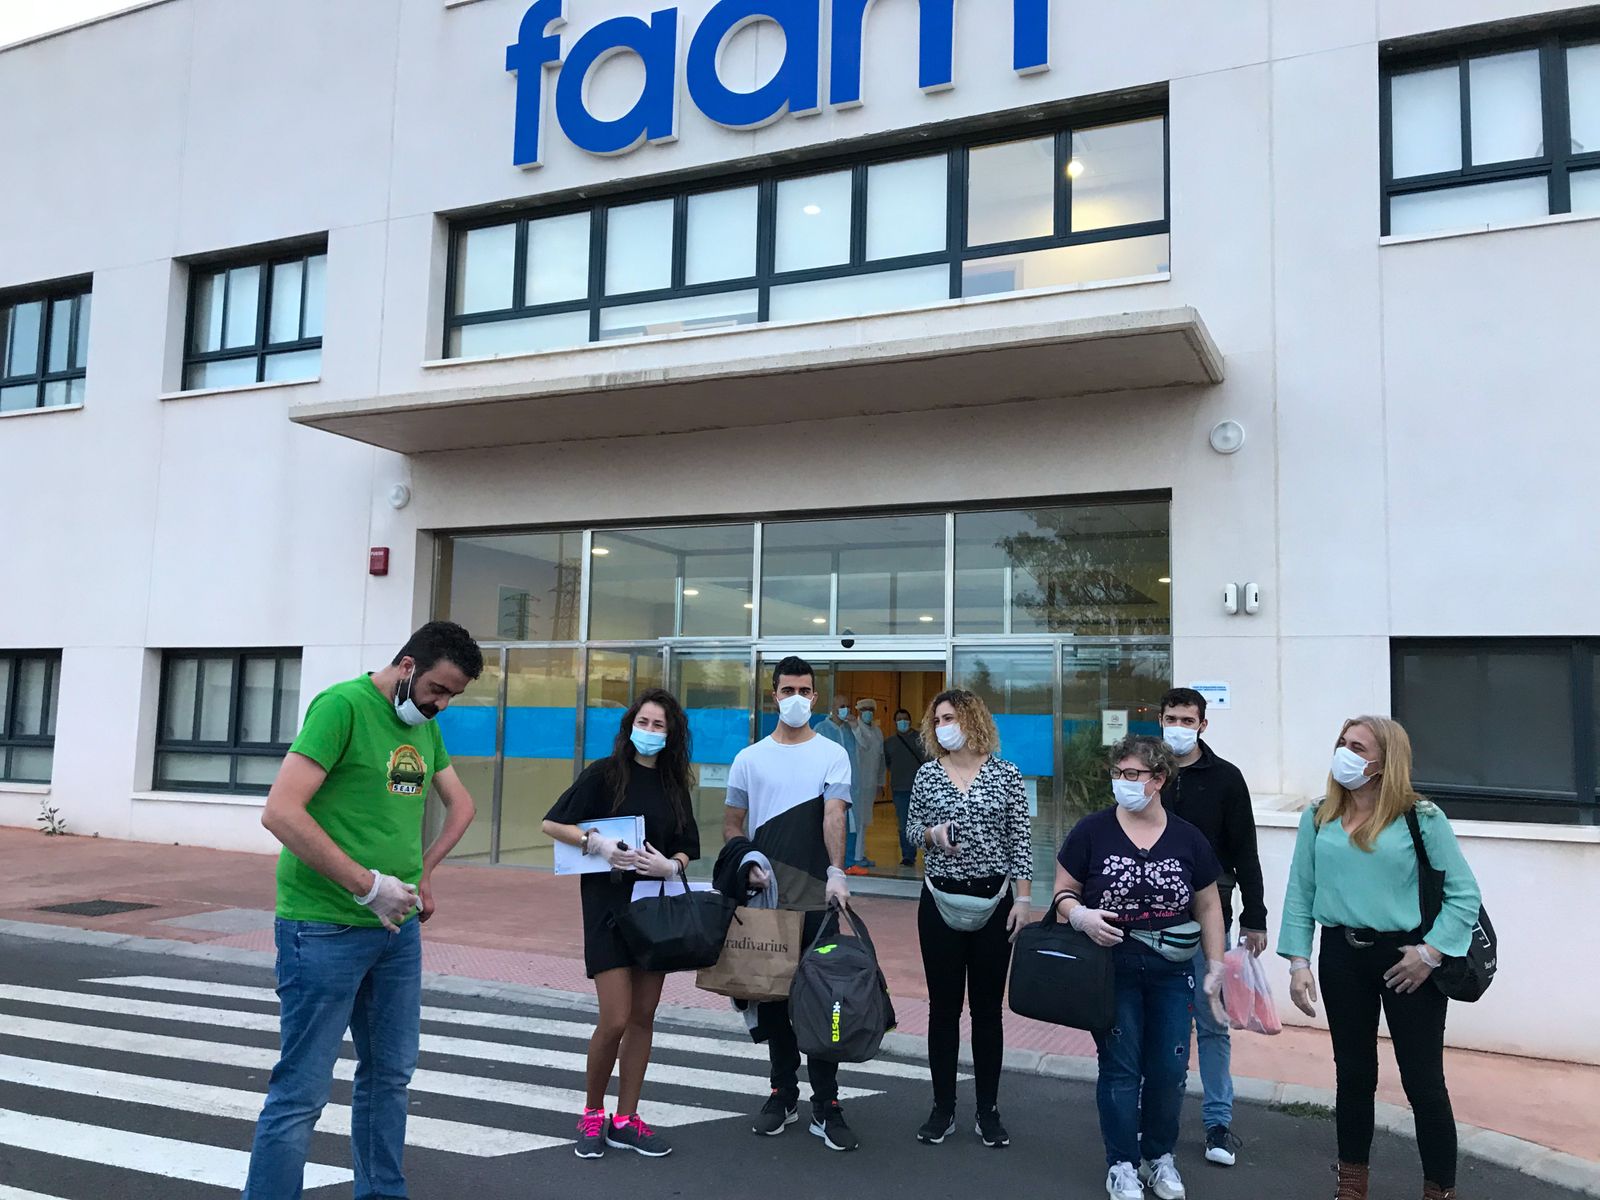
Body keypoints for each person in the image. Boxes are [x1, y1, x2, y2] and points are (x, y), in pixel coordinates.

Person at [243, 621, 484, 1200]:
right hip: (322, 927)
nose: (441, 704)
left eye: (453, 695)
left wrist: (422, 873)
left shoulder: (422, 726)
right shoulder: (342, 707)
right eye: (437, 689)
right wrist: (366, 885)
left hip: (395, 933)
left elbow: (462, 805)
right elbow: (280, 811)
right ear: (407, 666)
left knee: (390, 1079)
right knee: (302, 1090)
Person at [1279, 717, 1481, 1200]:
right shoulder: (1318, 816)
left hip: (1407, 959)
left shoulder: (1422, 817)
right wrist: (1298, 961)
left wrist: (1430, 953)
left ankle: (1439, 1191)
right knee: (1352, 1075)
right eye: (1341, 743)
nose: (1344, 753)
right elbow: (1300, 890)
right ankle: (1352, 1186)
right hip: (1341, 956)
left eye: (1357, 746)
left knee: (1423, 1081)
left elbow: (1463, 895)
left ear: (1384, 761)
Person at [1054, 734, 1228, 1200]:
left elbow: (1209, 905)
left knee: (1169, 1069)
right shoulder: (1092, 831)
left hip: (1173, 969)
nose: (1123, 783)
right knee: (1120, 1067)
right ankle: (1122, 1164)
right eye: (1118, 774)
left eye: (1133, 775)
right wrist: (1080, 915)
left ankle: (1158, 1156)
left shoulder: (1187, 837)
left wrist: (1215, 966)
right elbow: (1062, 894)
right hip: (1112, 968)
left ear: (1158, 779)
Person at [540, 688, 701, 1159]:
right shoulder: (604, 775)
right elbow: (552, 824)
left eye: (659, 726)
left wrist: (672, 865)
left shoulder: (675, 784)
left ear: (671, 736)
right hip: (608, 910)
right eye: (644, 723)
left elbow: (687, 842)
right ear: (630, 726)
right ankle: (593, 1114)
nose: (649, 732)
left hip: (655, 910)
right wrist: (597, 843)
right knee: (614, 1019)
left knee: (643, 1016)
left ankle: (627, 1118)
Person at [724, 656, 857, 1151]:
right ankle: (782, 1093)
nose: (796, 697)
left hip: (819, 903)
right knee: (773, 1003)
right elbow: (733, 825)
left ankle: (827, 1102)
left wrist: (837, 873)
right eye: (787, 689)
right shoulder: (748, 758)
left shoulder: (832, 753)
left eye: (804, 689)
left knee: (825, 1002)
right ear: (773, 695)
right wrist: (746, 866)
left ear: (815, 697)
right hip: (767, 903)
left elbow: (834, 815)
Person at [907, 688, 1034, 1149]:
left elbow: (1020, 838)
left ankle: (988, 1109)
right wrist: (930, 834)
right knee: (943, 1009)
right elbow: (910, 829)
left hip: (994, 902)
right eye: (938, 718)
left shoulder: (1006, 775)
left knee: (986, 1011)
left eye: (951, 717)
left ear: (973, 720)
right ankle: (943, 1108)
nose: (944, 725)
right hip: (939, 902)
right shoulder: (926, 775)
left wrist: (1023, 899)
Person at [1157, 686, 1268, 1167]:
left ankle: (1217, 1125)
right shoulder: (1146, 774)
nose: (1177, 727)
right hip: (1151, 915)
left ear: (1203, 724)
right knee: (1161, 1023)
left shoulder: (1225, 778)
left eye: (1187, 719)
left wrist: (1256, 918)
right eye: (1170, 718)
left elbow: (1246, 850)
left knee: (1212, 1022)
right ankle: (1157, 1119)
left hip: (1212, 915)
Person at [885, 706, 929, 867]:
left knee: (924, 824)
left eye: (905, 719)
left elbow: (929, 760)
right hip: (899, 790)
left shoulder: (921, 739)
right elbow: (888, 764)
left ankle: (929, 854)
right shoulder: (889, 743)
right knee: (904, 825)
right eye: (899, 720)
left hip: (920, 790)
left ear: (910, 721)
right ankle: (908, 856)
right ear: (895, 722)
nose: (902, 722)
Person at [849, 697, 885, 871]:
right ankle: (855, 856)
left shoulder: (878, 732)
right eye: (865, 710)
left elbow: (880, 760)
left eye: (871, 709)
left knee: (864, 821)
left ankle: (860, 854)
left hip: (870, 784)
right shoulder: (853, 729)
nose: (869, 713)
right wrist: (856, 728)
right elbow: (863, 744)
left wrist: (880, 783)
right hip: (856, 784)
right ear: (859, 712)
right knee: (857, 821)